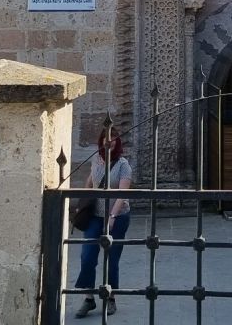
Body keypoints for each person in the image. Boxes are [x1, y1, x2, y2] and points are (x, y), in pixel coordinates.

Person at [75, 124, 132, 318]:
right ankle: (89, 298)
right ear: (101, 141)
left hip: (118, 217)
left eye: (113, 138)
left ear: (117, 141)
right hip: (95, 216)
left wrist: (113, 216)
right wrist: (83, 204)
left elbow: (123, 193)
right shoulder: (96, 161)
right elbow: (90, 183)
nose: (109, 142)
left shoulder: (123, 164)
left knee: (111, 259)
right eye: (105, 139)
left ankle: (110, 298)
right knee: (87, 256)